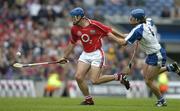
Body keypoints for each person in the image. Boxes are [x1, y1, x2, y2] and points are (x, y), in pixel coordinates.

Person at [58, 7, 130, 105]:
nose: (72, 19)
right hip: (85, 54)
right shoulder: (74, 28)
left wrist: (121, 37)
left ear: (80, 17)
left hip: (97, 54)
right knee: (78, 77)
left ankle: (119, 77)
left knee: (94, 80)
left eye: (74, 17)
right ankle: (88, 100)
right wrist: (64, 57)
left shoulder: (95, 25)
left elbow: (109, 30)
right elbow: (72, 43)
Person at [116, 8, 180, 107]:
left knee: (148, 80)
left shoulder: (137, 30)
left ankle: (162, 100)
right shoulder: (147, 22)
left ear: (137, 20)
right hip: (151, 53)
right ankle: (171, 68)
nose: (130, 18)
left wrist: (110, 35)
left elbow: (124, 43)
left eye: (132, 17)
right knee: (145, 74)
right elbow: (146, 23)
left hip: (157, 54)